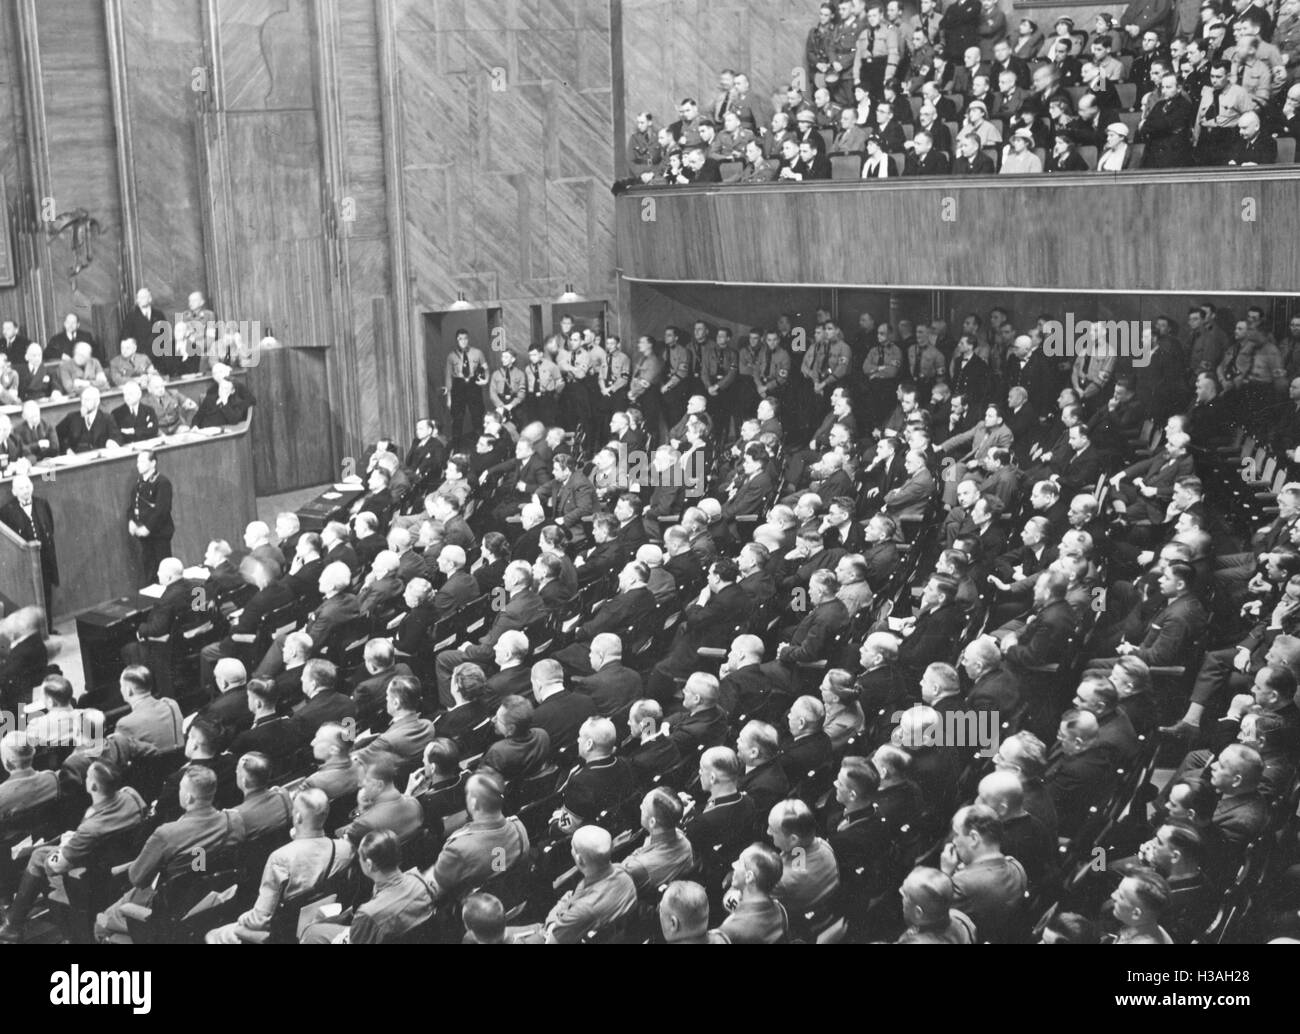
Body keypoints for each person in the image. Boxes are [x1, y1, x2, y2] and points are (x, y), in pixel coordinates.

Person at [205, 788, 354, 943]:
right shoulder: (345, 849)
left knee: (213, 935)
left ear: (297, 817)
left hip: (280, 934)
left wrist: (242, 918)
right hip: (321, 921)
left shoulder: (280, 858)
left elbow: (260, 919)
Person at [0, 475, 58, 626]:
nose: (25, 491)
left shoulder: (42, 504)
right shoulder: (6, 511)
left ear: (32, 487)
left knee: (46, 593)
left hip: (44, 557)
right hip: (23, 562)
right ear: (14, 492)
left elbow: (50, 527)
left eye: (27, 487)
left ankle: (49, 627)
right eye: (21, 488)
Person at [127, 449, 174, 585]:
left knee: (164, 571)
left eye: (142, 461)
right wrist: (131, 521)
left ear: (153, 463)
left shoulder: (162, 483)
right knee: (150, 571)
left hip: (159, 535)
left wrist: (148, 527)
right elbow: (132, 507)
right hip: (144, 537)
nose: (138, 465)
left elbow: (162, 510)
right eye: (137, 462)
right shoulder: (138, 484)